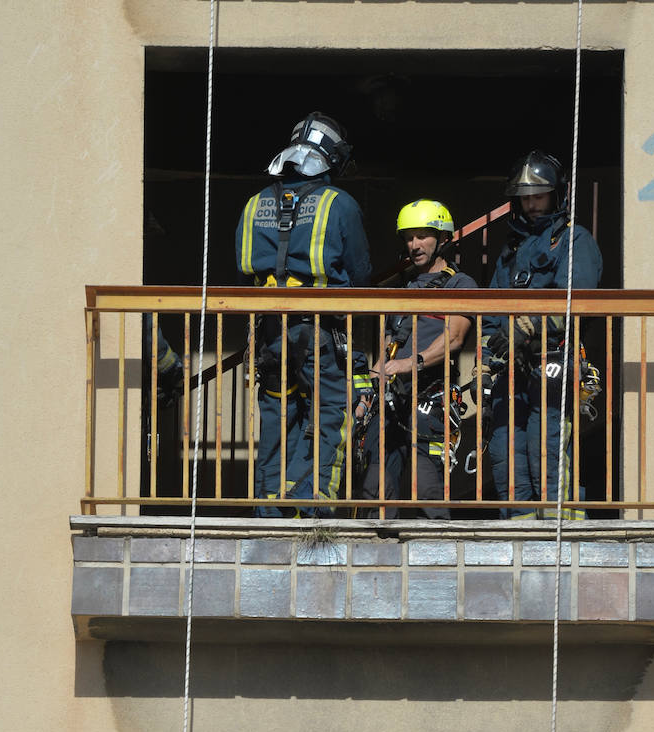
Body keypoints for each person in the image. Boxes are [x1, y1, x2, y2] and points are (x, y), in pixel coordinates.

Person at [235, 113, 372, 517]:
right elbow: (360, 274)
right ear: (332, 157)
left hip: (269, 334)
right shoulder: (339, 203)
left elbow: (245, 267)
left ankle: (272, 508)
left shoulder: (255, 202)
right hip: (319, 328)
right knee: (333, 410)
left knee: (279, 417)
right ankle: (314, 507)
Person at [477, 151, 602, 518]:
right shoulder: (510, 251)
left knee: (545, 444)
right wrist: (483, 365)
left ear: (557, 195)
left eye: (539, 195)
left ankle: (559, 530)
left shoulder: (574, 240)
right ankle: (519, 533)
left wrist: (527, 326)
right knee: (505, 451)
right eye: (525, 197)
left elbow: (577, 299)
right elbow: (490, 313)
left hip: (554, 360)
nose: (531, 204)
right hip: (509, 368)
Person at [359, 201, 477, 519]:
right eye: (409, 238)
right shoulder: (404, 289)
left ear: (443, 239)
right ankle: (376, 562)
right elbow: (387, 351)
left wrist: (410, 363)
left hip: (431, 399)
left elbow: (453, 339)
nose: (414, 245)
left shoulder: (459, 284)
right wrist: (367, 396)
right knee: (376, 491)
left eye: (423, 236)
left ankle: (441, 561)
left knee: (427, 489)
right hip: (391, 401)